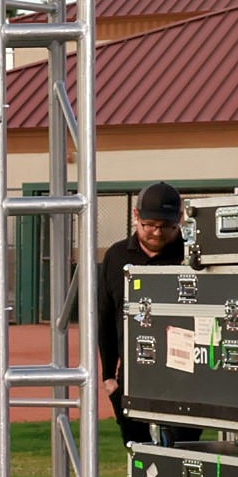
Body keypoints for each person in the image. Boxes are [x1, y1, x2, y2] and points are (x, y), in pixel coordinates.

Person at [96, 181, 187, 445]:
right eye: (150, 225)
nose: (157, 233)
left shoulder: (192, 255)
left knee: (183, 451)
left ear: (180, 220)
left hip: (183, 376)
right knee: (137, 449)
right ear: (136, 216)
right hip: (132, 374)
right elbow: (105, 316)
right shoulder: (116, 256)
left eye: (167, 226)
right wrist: (109, 377)